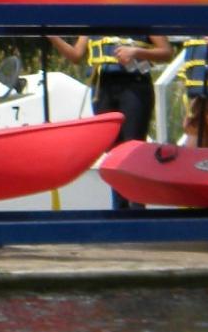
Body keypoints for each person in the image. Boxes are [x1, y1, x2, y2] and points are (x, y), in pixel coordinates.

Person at [48, 34, 175, 208]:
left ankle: (138, 209)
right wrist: (52, 37)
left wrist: (136, 51)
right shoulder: (93, 21)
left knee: (133, 149)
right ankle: (119, 210)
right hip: (103, 88)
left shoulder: (142, 13)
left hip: (134, 85)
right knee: (112, 152)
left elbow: (167, 52)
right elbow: (76, 55)